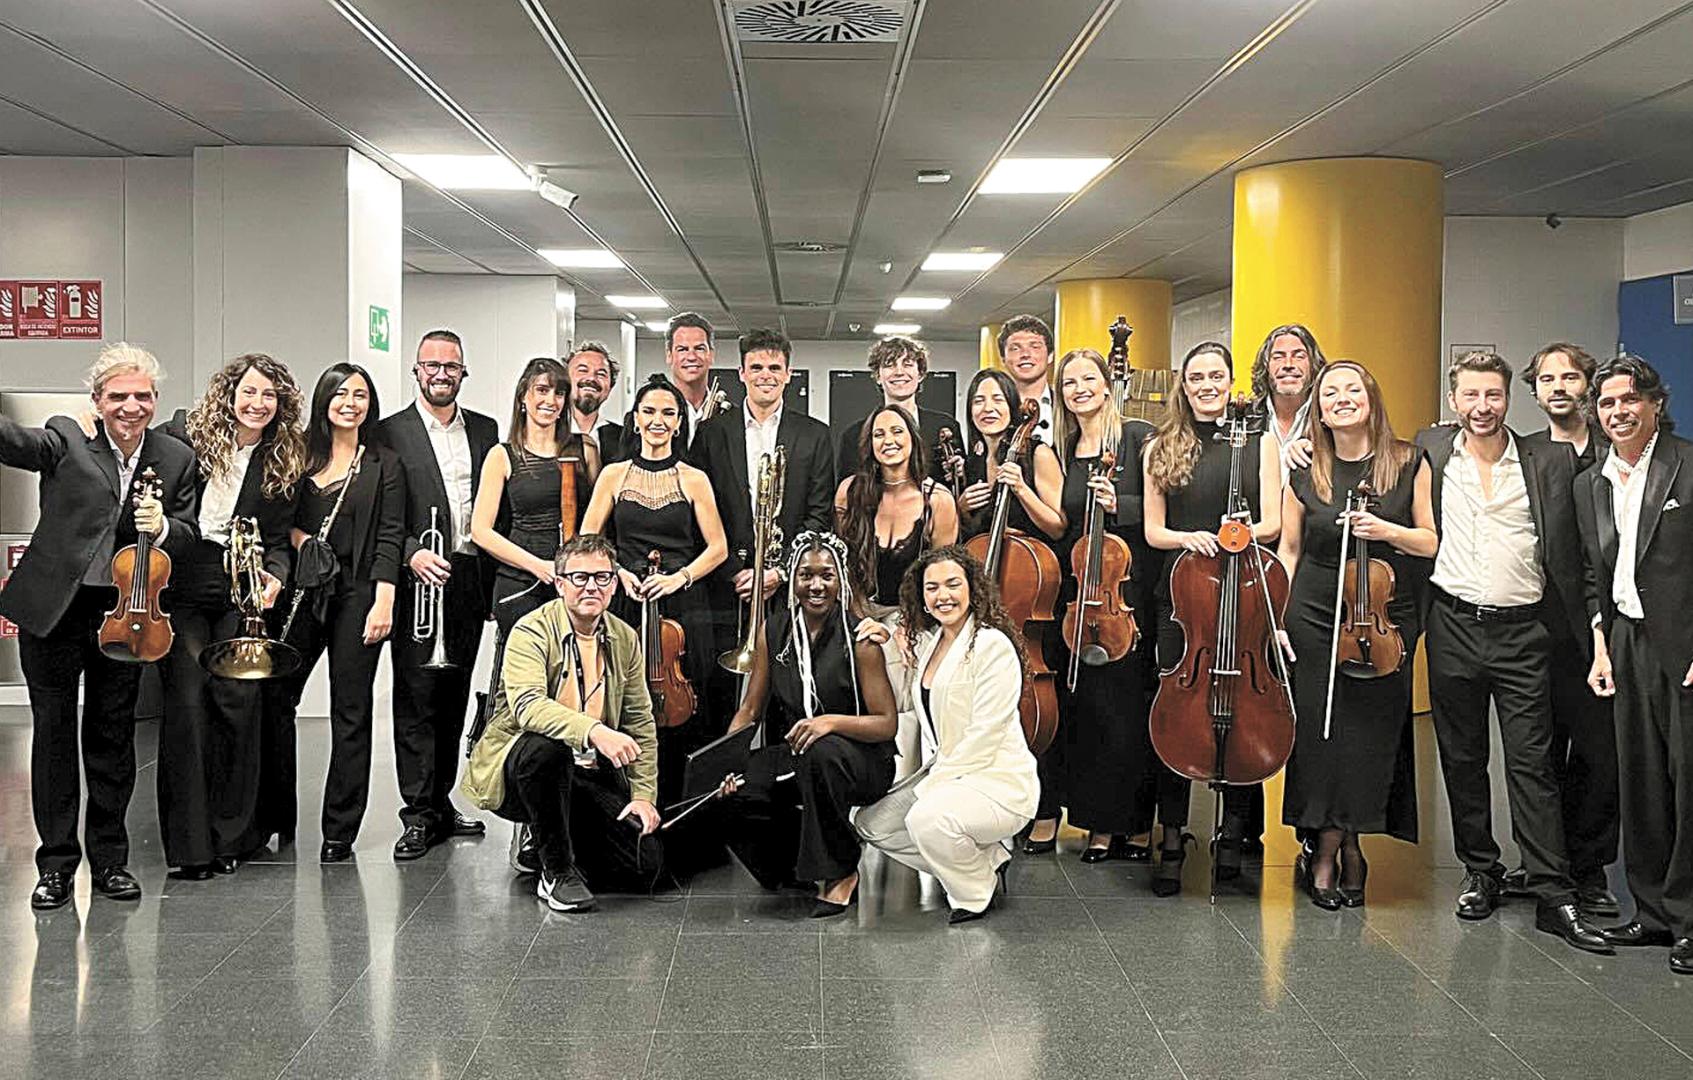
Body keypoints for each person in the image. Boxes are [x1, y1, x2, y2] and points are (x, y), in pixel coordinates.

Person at [1416, 350, 1609, 953]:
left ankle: (1553, 890)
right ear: (1453, 400)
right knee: (1463, 756)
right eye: (1471, 395)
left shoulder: (1548, 459)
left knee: (1532, 762)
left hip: (1525, 633)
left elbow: (1579, 543)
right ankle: (1481, 870)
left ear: (1508, 398)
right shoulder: (1429, 451)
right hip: (1453, 625)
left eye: (1493, 395)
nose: (1482, 407)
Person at [1, 344, 199, 910]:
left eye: (142, 396)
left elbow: (188, 532)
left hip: (128, 612)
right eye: (118, 396)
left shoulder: (175, 456)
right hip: (56, 611)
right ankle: (56, 866)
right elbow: (14, 442)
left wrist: (165, 528)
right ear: (97, 400)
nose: (131, 406)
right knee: (54, 735)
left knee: (112, 737)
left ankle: (110, 860)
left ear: (155, 400)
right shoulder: (66, 437)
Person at [1276, 361, 1436, 908]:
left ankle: (1347, 843)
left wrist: (1386, 529)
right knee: (1319, 739)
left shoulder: (1408, 461)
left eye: (1352, 389)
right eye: (1330, 393)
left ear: (1371, 399)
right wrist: (1278, 618)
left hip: (1383, 616)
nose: (1342, 398)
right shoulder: (1306, 469)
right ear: (1319, 410)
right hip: (1315, 613)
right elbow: (1290, 549)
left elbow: (1429, 541)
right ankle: (1329, 848)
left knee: (1367, 737)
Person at [154, 353, 304, 879]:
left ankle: (233, 836)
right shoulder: (184, 437)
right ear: (229, 394)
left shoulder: (283, 457)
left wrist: (276, 576)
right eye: (249, 392)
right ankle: (191, 847)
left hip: (241, 588)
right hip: (184, 583)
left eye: (269, 395)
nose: (258, 404)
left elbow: (280, 540)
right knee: (189, 703)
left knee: (239, 701)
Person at [1142, 341, 1281, 895]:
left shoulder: (1258, 443)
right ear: (1184, 383)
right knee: (1175, 710)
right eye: (1196, 377)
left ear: (1230, 382)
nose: (1206, 385)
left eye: (1216, 376)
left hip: (1243, 590)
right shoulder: (1161, 445)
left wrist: (1236, 534)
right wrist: (1188, 537)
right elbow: (1154, 530)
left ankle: (1234, 832)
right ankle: (1172, 833)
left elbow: (1272, 523)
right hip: (1183, 597)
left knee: (1243, 706)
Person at [460, 534, 663, 913]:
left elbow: (640, 722)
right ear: (559, 583)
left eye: (602, 577)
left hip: (586, 772)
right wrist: (594, 730)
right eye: (579, 577)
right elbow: (528, 707)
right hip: (526, 767)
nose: (591, 587)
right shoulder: (530, 630)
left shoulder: (624, 637)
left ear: (614, 584)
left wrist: (642, 796)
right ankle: (556, 871)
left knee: (643, 865)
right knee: (546, 749)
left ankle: (551, 835)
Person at [1577, 355, 1693, 973]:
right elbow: (1593, 574)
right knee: (1641, 783)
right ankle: (1652, 913)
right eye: (1607, 403)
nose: (1618, 412)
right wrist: (1601, 644)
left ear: (1655, 404)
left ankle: (1690, 918)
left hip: (1684, 645)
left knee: (1688, 784)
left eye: (1629, 400)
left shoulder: (1687, 465)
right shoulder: (1592, 482)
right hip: (1625, 641)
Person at [267, 363, 406, 865]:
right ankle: (275, 815)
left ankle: (340, 829)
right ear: (323, 399)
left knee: (351, 709)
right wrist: (302, 541)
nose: (350, 403)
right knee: (275, 696)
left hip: (359, 593)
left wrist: (384, 599)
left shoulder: (385, 463)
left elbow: (391, 533)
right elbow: (275, 519)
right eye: (341, 393)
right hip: (304, 590)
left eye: (360, 394)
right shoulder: (297, 453)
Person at [856, 546, 1038, 923]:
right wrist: (883, 642)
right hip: (950, 776)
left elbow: (986, 734)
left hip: (997, 781)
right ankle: (988, 860)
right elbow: (906, 701)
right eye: (932, 588)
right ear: (921, 597)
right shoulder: (933, 643)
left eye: (953, 584)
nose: (943, 596)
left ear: (972, 588)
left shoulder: (992, 645)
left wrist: (932, 785)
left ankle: (974, 892)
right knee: (873, 824)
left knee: (926, 819)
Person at [722, 532, 898, 916]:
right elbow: (750, 708)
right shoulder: (773, 630)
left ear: (841, 580)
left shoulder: (861, 637)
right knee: (732, 790)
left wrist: (829, 723)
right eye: (806, 575)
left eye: (826, 575)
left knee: (821, 751)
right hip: (801, 752)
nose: (816, 585)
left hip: (863, 760)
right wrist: (727, 761)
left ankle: (841, 872)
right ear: (793, 580)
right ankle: (789, 869)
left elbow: (887, 725)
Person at [1028, 349, 1158, 864]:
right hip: (1079, 592)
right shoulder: (1063, 448)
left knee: (1126, 711)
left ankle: (1133, 825)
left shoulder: (1137, 437)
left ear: (1107, 385)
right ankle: (1096, 824)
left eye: (1088, 379)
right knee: (1086, 711)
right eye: (1069, 382)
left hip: (1125, 591)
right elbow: (1059, 520)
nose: (1079, 389)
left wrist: (1119, 505)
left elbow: (1163, 506)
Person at [1504, 342, 1618, 914]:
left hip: (1603, 628)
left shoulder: (1613, 451)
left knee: (1599, 754)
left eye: (1569, 377)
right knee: (1538, 753)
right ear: (1534, 389)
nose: (1558, 388)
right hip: (1537, 625)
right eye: (1547, 379)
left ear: (1587, 385)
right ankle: (1541, 864)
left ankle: (1590, 869)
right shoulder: (1522, 454)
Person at [379, 329, 501, 861]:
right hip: (419, 577)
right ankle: (417, 813)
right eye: (431, 365)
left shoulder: (485, 430)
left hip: (469, 574)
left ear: (463, 372)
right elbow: (381, 510)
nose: (441, 374)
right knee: (416, 698)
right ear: (416, 370)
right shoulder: (389, 432)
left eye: (451, 366)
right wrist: (410, 553)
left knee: (454, 693)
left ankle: (442, 802)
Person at [581, 374, 728, 813]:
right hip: (626, 600)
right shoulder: (613, 475)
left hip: (682, 605)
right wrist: (619, 573)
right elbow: (588, 540)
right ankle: (624, 806)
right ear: (635, 419)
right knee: (622, 701)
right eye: (649, 411)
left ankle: (682, 809)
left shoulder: (694, 478)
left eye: (668, 413)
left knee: (686, 707)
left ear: (680, 422)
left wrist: (679, 578)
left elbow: (717, 548)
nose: (658, 420)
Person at [689, 328, 836, 728]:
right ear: (741, 373)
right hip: (727, 584)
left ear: (788, 374)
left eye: (774, 367)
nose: (765, 375)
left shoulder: (815, 434)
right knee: (720, 695)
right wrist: (733, 571)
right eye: (756, 367)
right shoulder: (712, 433)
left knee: (785, 694)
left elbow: (819, 514)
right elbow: (699, 512)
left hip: (786, 587)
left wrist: (780, 571)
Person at [470, 357, 600, 667]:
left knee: (576, 673)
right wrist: (539, 567)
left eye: (559, 393)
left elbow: (598, 518)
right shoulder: (502, 455)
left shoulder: (585, 449)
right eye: (542, 390)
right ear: (523, 397)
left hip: (576, 583)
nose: (550, 401)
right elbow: (481, 531)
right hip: (520, 582)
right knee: (527, 675)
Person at [834, 403, 960, 610]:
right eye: (879, 434)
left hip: (915, 615)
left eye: (897, 431)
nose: (888, 440)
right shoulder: (848, 492)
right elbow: (842, 564)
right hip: (858, 612)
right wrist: (860, 616)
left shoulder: (938, 500)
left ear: (913, 438)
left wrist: (908, 622)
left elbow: (941, 577)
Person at [955, 368, 1065, 544]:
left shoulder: (1038, 454)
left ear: (1012, 406)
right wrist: (961, 509)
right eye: (979, 401)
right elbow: (974, 534)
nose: (988, 408)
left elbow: (1057, 529)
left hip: (1033, 558)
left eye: (998, 399)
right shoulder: (974, 462)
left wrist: (1021, 488)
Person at [834, 336, 963, 485]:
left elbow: (960, 486)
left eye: (907, 364)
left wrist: (959, 475)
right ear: (878, 376)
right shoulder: (854, 435)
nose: (899, 372)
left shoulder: (946, 426)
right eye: (889, 365)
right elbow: (847, 492)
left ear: (920, 374)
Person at [995, 314, 1058, 447]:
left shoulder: (1068, 408)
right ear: (1003, 359)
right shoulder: (993, 410)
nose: (1025, 354)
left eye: (1035, 347)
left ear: (1050, 356)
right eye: (1015, 348)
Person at [566, 341, 625, 463]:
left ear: (610, 387)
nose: (591, 378)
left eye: (601, 374)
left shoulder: (624, 440)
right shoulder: (547, 432)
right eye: (583, 370)